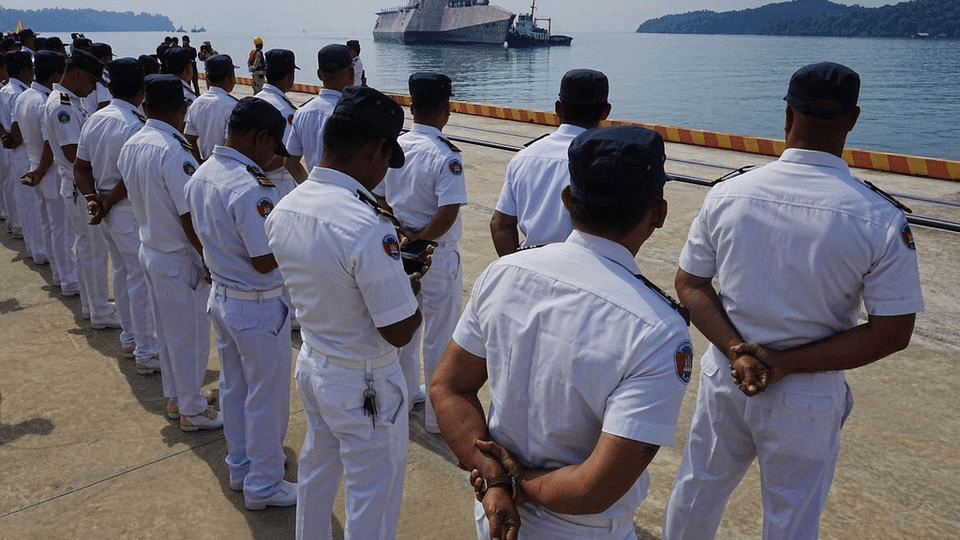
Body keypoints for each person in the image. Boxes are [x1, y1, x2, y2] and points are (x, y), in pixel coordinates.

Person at [662, 62, 925, 540]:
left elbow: (691, 285)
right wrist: (782, 363)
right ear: (853, 119)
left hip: (727, 376)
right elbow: (892, 332)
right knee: (792, 517)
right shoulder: (878, 219)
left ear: (787, 116)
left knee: (698, 489)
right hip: (808, 392)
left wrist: (738, 351)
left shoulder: (728, 193)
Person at [431, 125, 691, 540]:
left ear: (568, 199)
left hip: (496, 516)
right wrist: (519, 483)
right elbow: (596, 487)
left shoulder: (505, 273)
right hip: (584, 528)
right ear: (658, 213)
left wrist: (495, 481)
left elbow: (448, 387)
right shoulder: (658, 329)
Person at [264, 86, 425, 540]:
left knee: (318, 470)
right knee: (372, 495)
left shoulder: (287, 206)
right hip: (365, 379)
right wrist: (410, 288)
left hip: (316, 362)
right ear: (376, 149)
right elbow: (397, 330)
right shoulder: (365, 224)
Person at [185, 96, 297, 511]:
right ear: (259, 137)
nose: (273, 157)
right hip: (258, 304)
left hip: (225, 298)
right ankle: (265, 483)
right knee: (267, 398)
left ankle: (240, 466)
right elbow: (266, 260)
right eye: (272, 146)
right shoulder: (251, 188)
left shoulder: (203, 173)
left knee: (234, 389)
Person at [117, 74, 221, 431]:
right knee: (188, 335)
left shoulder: (135, 142)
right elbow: (188, 213)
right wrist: (208, 256)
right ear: (180, 110)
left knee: (169, 332)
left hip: (151, 246)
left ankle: (179, 397)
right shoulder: (174, 151)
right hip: (176, 256)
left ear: (146, 106)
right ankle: (191, 409)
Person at [373, 72, 466, 431]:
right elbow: (448, 211)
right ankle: (436, 418)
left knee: (406, 331)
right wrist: (423, 237)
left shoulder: (397, 146)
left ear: (411, 104)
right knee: (440, 337)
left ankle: (406, 395)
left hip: (398, 249)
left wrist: (400, 230)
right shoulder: (446, 155)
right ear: (447, 108)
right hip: (436, 254)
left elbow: (379, 195)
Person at [74, 58, 160, 368]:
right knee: (139, 279)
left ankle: (130, 338)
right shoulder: (136, 124)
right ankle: (146, 349)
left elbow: (81, 167)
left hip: (107, 206)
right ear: (141, 90)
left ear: (109, 87)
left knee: (124, 275)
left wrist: (92, 199)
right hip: (125, 207)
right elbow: (131, 175)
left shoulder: (96, 118)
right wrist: (106, 201)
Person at [489, 69, 611, 256]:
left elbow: (500, 224)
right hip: (582, 270)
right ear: (605, 111)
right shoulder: (608, 163)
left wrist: (515, 265)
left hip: (530, 265)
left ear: (558, 108)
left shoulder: (524, 157)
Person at [42, 50, 120, 327]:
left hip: (75, 187)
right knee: (93, 251)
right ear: (77, 75)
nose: (93, 87)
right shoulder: (63, 106)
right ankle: (99, 310)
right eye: (91, 80)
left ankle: (92, 304)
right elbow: (72, 150)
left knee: (89, 249)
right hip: (78, 187)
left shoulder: (70, 101)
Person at [17, 51, 80, 295]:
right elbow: (49, 145)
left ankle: (59, 273)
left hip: (37, 167)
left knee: (50, 227)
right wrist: (41, 172)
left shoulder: (25, 96)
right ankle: (69, 279)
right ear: (56, 75)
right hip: (48, 171)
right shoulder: (44, 101)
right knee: (62, 232)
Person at [286, 44, 353, 171]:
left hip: (314, 186)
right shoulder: (354, 113)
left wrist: (309, 185)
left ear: (319, 74)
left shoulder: (302, 113)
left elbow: (290, 163)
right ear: (351, 73)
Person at [0, 50, 40, 260]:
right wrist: (12, 138)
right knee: (30, 202)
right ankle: (36, 247)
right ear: (25, 70)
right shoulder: (18, 93)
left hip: (12, 146)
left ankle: (19, 228)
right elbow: (18, 126)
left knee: (16, 194)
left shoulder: (5, 90)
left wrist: (5, 138)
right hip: (24, 147)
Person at [253, 49, 306, 192]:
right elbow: (289, 161)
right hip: (277, 185)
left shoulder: (253, 100)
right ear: (290, 76)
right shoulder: (286, 111)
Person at [184, 54, 238, 163]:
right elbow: (231, 144)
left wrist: (199, 163)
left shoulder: (197, 103)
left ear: (207, 77)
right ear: (231, 77)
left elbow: (190, 139)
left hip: (206, 165)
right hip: (227, 166)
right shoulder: (233, 106)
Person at [85, 42, 113, 112]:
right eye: (110, 58)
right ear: (104, 59)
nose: (111, 61)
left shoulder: (84, 74)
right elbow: (104, 104)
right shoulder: (100, 77)